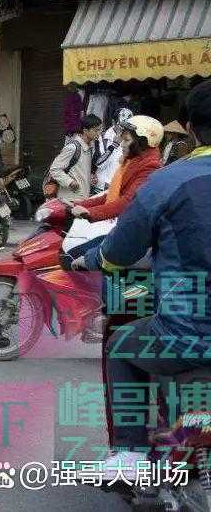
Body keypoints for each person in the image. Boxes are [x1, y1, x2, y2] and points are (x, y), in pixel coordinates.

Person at [73, 82, 211, 478]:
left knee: (119, 345)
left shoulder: (166, 180)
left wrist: (89, 260)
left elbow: (118, 253)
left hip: (186, 335)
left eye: (128, 135)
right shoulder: (139, 168)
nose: (123, 139)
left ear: (189, 128)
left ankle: (131, 455)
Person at [67, 116, 163, 256]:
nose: (122, 144)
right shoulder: (132, 162)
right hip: (126, 227)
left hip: (139, 234)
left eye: (127, 140)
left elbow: (127, 202)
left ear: (142, 143)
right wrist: (82, 204)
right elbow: (113, 194)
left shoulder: (149, 167)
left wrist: (90, 213)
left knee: (79, 255)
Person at [46, 114, 101, 203]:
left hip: (81, 199)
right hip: (69, 200)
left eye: (100, 130)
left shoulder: (89, 148)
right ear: (85, 130)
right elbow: (55, 169)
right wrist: (70, 182)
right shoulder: (72, 147)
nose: (99, 133)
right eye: (96, 130)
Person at [93, 107, 133, 192]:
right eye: (122, 125)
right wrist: (114, 144)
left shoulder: (131, 139)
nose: (124, 129)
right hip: (102, 186)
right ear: (113, 122)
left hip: (120, 186)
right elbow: (99, 163)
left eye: (127, 126)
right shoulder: (103, 137)